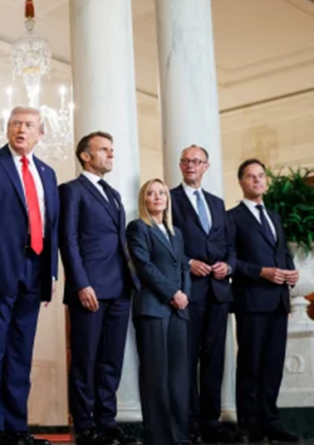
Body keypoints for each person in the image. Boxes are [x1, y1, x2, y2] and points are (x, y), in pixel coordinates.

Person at [0, 106, 59, 445]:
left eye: (29, 125)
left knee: (20, 353)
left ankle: (17, 429)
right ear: (7, 128)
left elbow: (51, 224)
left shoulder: (47, 173)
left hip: (34, 272)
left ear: (40, 134)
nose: (21, 129)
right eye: (16, 123)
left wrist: (51, 273)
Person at [58, 132, 138, 445]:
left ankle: (107, 423)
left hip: (120, 288)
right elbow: (68, 240)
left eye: (111, 149)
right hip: (89, 288)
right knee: (85, 360)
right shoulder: (71, 190)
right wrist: (81, 283)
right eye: (104, 149)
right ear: (85, 156)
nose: (110, 154)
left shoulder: (114, 194)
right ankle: (85, 425)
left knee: (111, 362)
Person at [169, 145, 239, 444]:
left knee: (214, 359)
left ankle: (211, 422)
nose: (190, 165)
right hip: (189, 291)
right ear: (180, 165)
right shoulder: (169, 198)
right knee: (187, 359)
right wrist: (187, 262)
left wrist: (228, 265)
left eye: (196, 161)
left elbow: (230, 247)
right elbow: (166, 241)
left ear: (206, 167)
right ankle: (190, 423)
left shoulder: (217, 203)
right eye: (186, 161)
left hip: (219, 292)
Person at [228, 159, 300, 443]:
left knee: (272, 365)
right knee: (250, 365)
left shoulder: (274, 216)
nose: (257, 180)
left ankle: (271, 423)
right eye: (251, 176)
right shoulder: (232, 217)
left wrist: (291, 272)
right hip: (251, 301)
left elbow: (283, 253)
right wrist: (261, 272)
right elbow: (231, 261)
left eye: (261, 176)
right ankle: (249, 425)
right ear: (241, 182)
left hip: (278, 301)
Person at [126, 178, 191, 445]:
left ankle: (179, 436)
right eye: (151, 193)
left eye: (162, 193)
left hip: (178, 311)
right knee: (156, 376)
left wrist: (184, 295)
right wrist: (172, 293)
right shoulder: (138, 228)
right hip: (153, 309)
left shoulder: (176, 232)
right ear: (144, 199)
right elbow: (144, 266)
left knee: (178, 377)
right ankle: (159, 437)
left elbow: (184, 267)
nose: (157, 197)